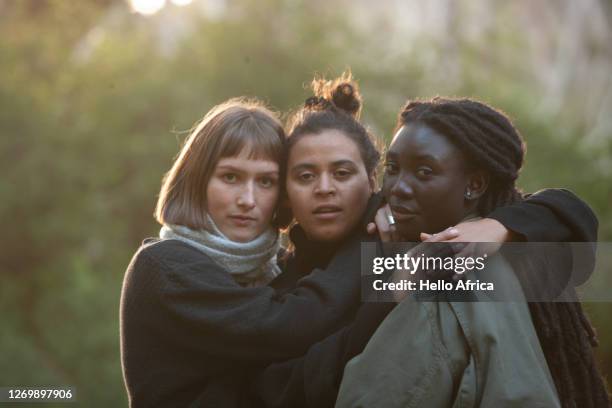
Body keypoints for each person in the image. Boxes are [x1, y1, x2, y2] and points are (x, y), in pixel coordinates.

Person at [247, 77, 604, 408]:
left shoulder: (459, 258)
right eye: (395, 169)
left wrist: (501, 226)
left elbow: (571, 212)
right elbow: (270, 384)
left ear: (366, 178)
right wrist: (392, 290)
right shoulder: (283, 272)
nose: (325, 188)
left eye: (342, 173)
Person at [335, 97, 610, 407]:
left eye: (424, 172)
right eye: (393, 169)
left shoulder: (456, 274)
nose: (398, 187)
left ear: (475, 185)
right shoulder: (506, 249)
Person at [120, 98, 371, 407]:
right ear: (198, 181)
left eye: (266, 181)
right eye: (230, 177)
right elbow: (291, 325)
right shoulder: (165, 267)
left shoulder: (274, 268)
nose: (248, 199)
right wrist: (372, 242)